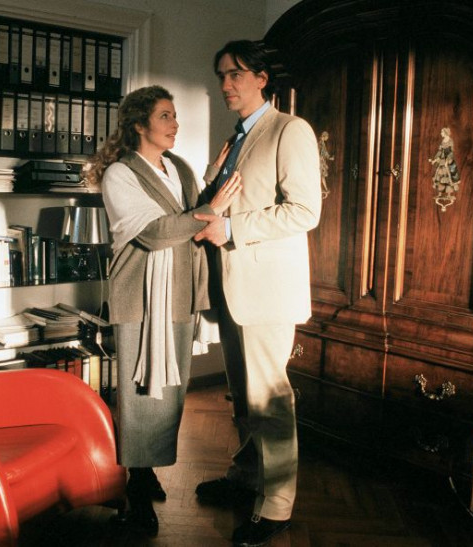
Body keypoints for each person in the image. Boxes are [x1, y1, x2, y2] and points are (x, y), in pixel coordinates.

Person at [86, 85, 241, 537]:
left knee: (169, 392)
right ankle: (136, 492)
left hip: (179, 290)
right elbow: (156, 233)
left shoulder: (179, 168)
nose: (175, 124)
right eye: (165, 116)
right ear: (139, 124)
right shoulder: (120, 174)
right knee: (142, 392)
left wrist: (212, 181)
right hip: (142, 295)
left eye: (174, 115)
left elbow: (188, 214)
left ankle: (145, 470)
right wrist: (209, 209)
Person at [193, 40, 322, 547]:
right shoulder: (238, 137)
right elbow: (217, 204)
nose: (225, 85)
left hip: (266, 290)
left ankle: (276, 506)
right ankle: (246, 476)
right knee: (244, 396)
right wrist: (213, 176)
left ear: (262, 79)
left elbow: (304, 211)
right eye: (221, 76)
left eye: (236, 74)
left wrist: (231, 229)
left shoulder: (290, 129)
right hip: (232, 287)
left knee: (269, 398)